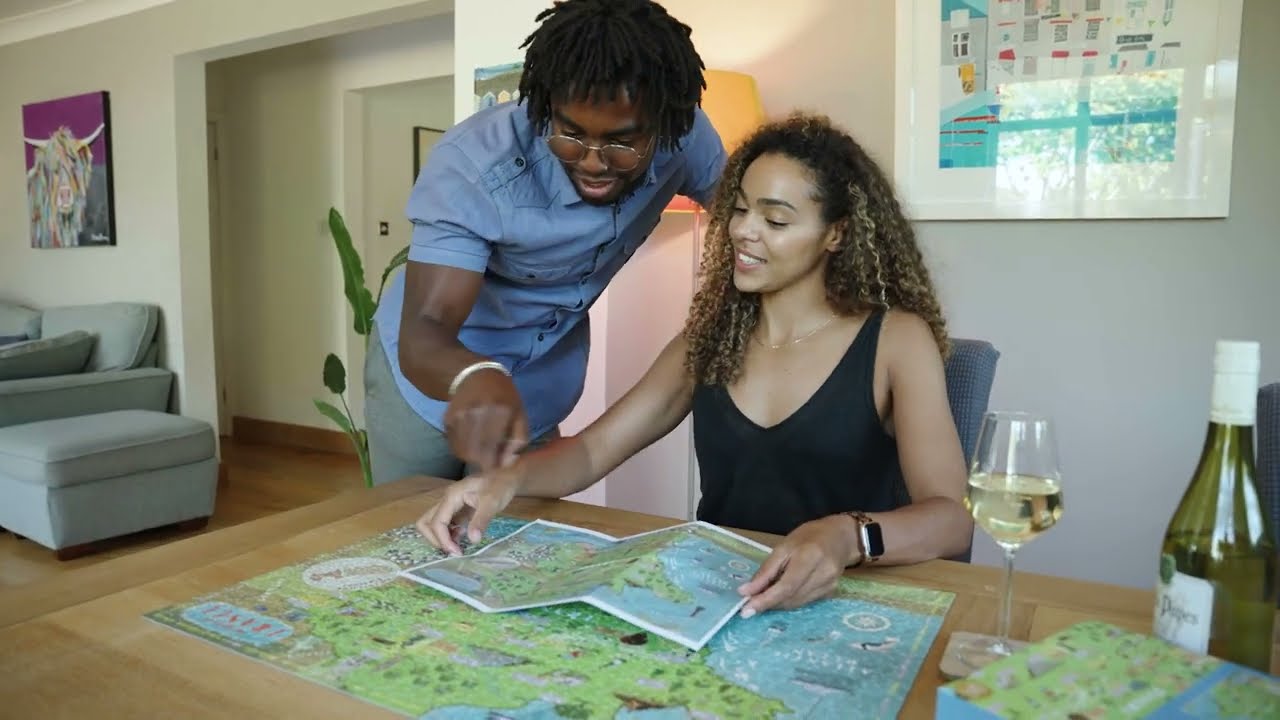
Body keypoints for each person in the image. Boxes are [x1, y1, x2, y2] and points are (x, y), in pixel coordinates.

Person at [415, 112, 975, 618]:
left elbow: (952, 519)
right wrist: (503, 481)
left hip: (849, 604)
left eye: (776, 221)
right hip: (722, 601)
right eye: (740, 209)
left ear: (837, 233)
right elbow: (591, 451)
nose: (743, 230)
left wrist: (846, 537)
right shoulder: (710, 338)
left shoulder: (896, 340)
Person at [364, 0, 727, 485]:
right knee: (408, 519)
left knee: (508, 528)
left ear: (665, 125)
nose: (593, 161)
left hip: (539, 387)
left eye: (622, 142)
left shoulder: (687, 138)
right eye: (569, 134)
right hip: (430, 380)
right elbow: (425, 330)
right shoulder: (473, 164)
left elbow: (747, 216)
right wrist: (475, 376)